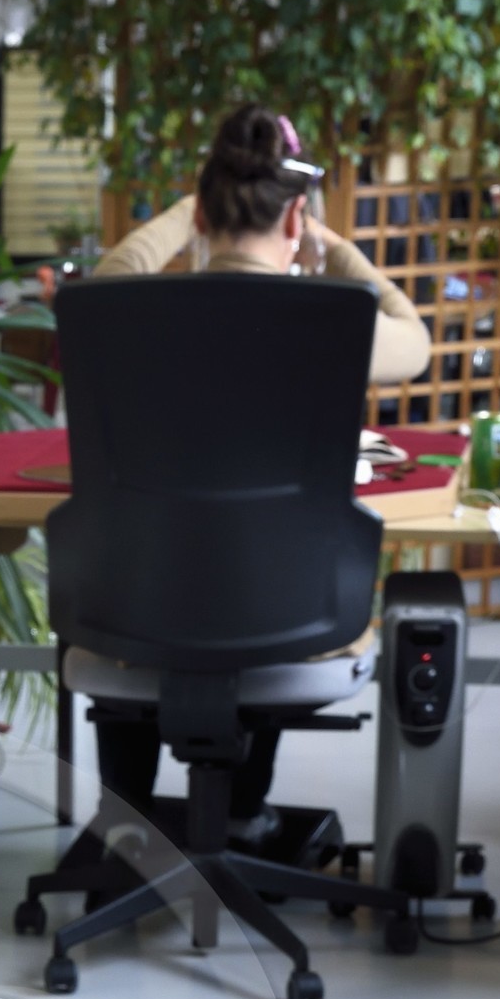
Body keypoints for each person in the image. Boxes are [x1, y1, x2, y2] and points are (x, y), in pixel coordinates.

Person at [88, 102, 430, 836]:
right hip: (287, 614)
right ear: (294, 218)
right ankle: (243, 815)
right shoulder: (334, 325)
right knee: (266, 576)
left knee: (141, 583)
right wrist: (333, 246)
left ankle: (126, 823)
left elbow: (103, 281)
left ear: (203, 217)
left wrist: (188, 210)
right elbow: (416, 339)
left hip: (134, 608)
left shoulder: (130, 317)